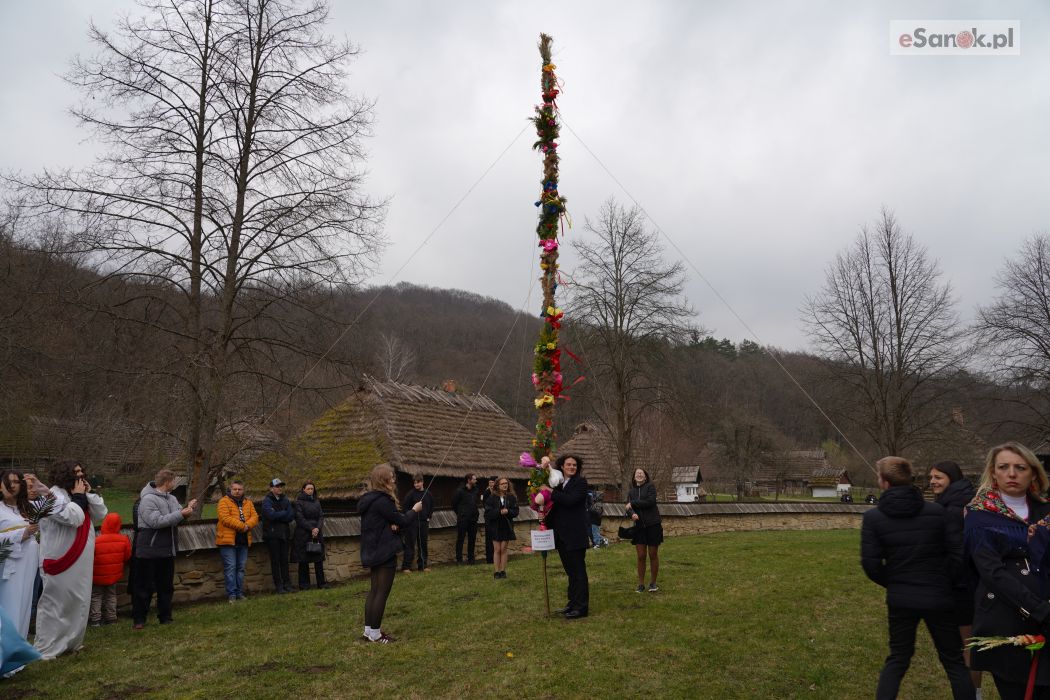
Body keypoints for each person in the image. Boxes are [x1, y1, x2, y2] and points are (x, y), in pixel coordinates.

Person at [861, 456, 974, 700]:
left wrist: (895, 581)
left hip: (903, 599)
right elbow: (957, 554)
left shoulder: (873, 518)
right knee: (954, 661)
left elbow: (871, 565)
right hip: (938, 596)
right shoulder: (938, 512)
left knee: (898, 659)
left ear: (885, 482)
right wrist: (942, 580)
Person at [965, 442, 1050, 700]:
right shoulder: (979, 515)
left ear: (1033, 473)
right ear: (993, 472)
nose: (1012, 474)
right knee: (1017, 689)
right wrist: (1040, 610)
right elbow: (992, 571)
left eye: (1020, 467)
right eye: (1003, 467)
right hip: (1006, 617)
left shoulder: (1045, 510)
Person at [34, 460, 108, 659]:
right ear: (64, 475)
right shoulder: (52, 496)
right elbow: (72, 518)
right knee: (57, 604)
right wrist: (79, 497)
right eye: (76, 473)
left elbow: (101, 513)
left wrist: (88, 494)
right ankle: (48, 648)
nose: (80, 476)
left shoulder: (78, 494)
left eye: (82, 472)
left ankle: (72, 642)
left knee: (79, 601)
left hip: (81, 559)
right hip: (60, 559)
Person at [929, 460, 982, 698]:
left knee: (967, 646)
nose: (932, 482)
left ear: (952, 478)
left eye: (938, 477)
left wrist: (946, 581)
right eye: (931, 477)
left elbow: (957, 553)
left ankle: (974, 695)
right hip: (970, 583)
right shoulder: (960, 500)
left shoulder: (953, 509)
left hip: (962, 587)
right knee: (970, 645)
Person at [358, 464, 423, 643]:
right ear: (383, 480)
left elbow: (381, 522)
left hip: (373, 549)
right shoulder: (383, 500)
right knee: (382, 592)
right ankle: (376, 634)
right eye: (391, 477)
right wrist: (415, 510)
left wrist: (391, 524)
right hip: (384, 550)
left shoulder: (370, 499)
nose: (394, 480)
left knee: (374, 590)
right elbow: (403, 520)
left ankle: (368, 631)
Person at [132, 469, 196, 628]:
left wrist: (187, 511)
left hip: (167, 550)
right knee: (144, 588)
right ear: (168, 482)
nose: (175, 484)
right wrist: (181, 514)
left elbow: (177, 518)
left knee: (166, 587)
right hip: (148, 551)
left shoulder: (172, 498)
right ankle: (139, 620)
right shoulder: (147, 499)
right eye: (174, 481)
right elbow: (156, 522)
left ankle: (165, 617)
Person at [542, 454, 590, 619]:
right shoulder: (559, 483)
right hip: (561, 535)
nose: (571, 467)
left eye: (574, 465)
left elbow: (570, 501)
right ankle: (572, 603)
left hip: (575, 534)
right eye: (568, 464)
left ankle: (581, 608)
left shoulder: (580, 483)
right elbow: (556, 507)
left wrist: (550, 492)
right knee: (570, 572)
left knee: (578, 572)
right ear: (562, 466)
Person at [0, 470, 40, 638]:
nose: (13, 485)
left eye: (17, 481)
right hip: (8, 566)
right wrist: (23, 533)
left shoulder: (27, 507)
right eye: (9, 482)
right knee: (10, 605)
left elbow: (56, 507)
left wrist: (39, 486)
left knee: (24, 603)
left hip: (28, 563)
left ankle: (18, 647)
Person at [215, 480, 258, 603]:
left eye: (240, 489)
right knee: (230, 568)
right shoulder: (223, 501)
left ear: (243, 490)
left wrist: (247, 525)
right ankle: (232, 594)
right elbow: (225, 518)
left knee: (240, 568)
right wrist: (242, 526)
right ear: (231, 490)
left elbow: (255, 516)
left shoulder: (248, 502)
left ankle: (239, 593)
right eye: (235, 489)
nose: (237, 491)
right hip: (227, 541)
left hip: (243, 540)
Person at [90, 512, 131, 627]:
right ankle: (111, 618)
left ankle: (95, 620)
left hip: (97, 574)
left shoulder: (96, 540)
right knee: (111, 595)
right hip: (113, 574)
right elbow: (127, 556)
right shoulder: (124, 539)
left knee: (96, 595)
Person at [626, 468, 663, 593]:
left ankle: (653, 583)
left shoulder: (650, 487)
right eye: (637, 473)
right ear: (634, 477)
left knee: (653, 554)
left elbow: (650, 502)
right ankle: (641, 584)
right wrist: (632, 514)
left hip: (653, 524)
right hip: (639, 526)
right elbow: (628, 507)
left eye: (641, 473)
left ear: (645, 477)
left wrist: (633, 503)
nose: (639, 474)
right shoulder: (631, 491)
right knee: (641, 556)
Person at [260, 478, 296, 593]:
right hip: (272, 535)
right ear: (271, 488)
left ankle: (287, 584)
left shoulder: (285, 499)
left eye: (281, 486)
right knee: (275, 561)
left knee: (284, 561)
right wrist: (284, 513)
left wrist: (279, 514)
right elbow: (271, 515)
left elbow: (291, 515)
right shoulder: (267, 501)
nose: (280, 488)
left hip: (284, 534)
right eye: (277, 486)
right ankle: (279, 586)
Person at [291, 482, 327, 590]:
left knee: (318, 559)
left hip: (316, 533)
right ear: (303, 489)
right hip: (303, 533)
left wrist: (317, 528)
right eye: (308, 488)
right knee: (303, 560)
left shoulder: (317, 502)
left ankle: (321, 583)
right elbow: (299, 518)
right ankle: (304, 585)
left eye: (312, 488)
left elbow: (321, 516)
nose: (310, 490)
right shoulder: (299, 503)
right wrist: (311, 528)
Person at [484, 477, 519, 579]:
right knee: (497, 549)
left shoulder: (511, 497)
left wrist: (508, 511)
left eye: (506, 483)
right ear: (497, 486)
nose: (505, 485)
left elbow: (516, 511)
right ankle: (496, 571)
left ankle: (503, 571)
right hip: (495, 526)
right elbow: (488, 513)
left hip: (506, 526)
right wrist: (499, 512)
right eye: (502, 484)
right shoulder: (492, 498)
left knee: (503, 549)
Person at [401, 474, 433, 573]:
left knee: (423, 544)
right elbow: (405, 508)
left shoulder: (428, 494)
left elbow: (431, 506)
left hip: (424, 522)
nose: (416, 485)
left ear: (422, 482)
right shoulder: (410, 494)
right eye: (414, 483)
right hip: (412, 523)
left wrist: (428, 517)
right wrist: (410, 517)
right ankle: (406, 567)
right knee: (410, 544)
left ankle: (423, 566)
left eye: (418, 482)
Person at [451, 473, 480, 564]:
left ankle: (471, 559)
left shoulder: (476, 490)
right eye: (474, 479)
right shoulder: (460, 491)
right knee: (461, 539)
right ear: (469, 480)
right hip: (463, 519)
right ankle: (459, 560)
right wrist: (461, 513)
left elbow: (476, 502)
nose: (476, 481)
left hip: (473, 519)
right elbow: (454, 504)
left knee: (472, 539)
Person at [483, 475, 497, 565]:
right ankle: (489, 559)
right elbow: (485, 505)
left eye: (493, 482)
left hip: (497, 518)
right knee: (489, 539)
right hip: (489, 518)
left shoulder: (498, 492)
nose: (491, 484)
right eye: (490, 483)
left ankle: (497, 557)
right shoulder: (487, 492)